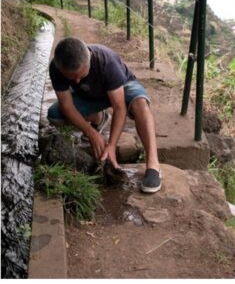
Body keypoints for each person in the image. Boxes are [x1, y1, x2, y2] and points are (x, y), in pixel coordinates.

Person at [47, 37, 161, 193]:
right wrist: (90, 132)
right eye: (72, 78)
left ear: (89, 59)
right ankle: (98, 118)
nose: (78, 80)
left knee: (140, 103)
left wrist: (112, 146)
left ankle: (153, 164)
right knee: (55, 114)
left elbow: (119, 108)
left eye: (81, 75)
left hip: (122, 87)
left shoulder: (107, 62)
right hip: (91, 94)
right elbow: (67, 106)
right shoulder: (56, 67)